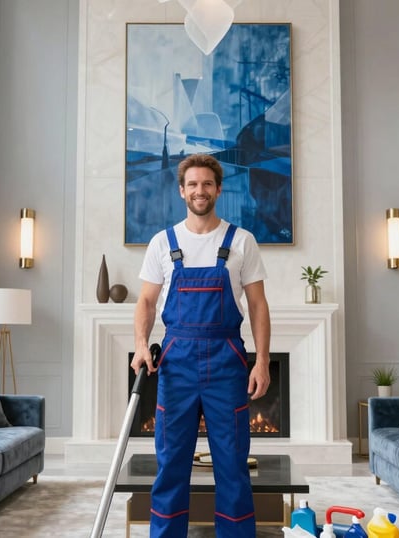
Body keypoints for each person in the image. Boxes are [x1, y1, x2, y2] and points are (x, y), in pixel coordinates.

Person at [131, 153, 272, 537]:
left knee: (232, 462)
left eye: (207, 184)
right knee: (171, 462)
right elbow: (146, 301)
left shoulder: (241, 241)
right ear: (182, 190)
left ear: (218, 189)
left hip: (227, 361)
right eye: (192, 184)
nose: (200, 190)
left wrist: (262, 361)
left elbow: (258, 305)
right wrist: (141, 344)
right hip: (177, 363)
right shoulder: (163, 243)